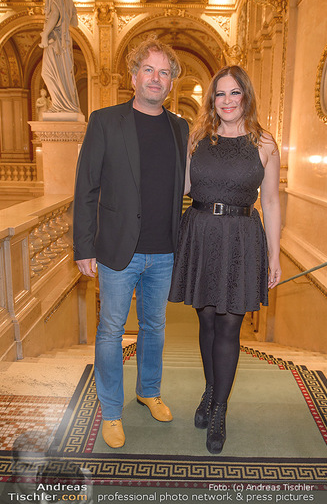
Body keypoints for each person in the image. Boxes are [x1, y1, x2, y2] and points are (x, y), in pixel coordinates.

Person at [73, 36, 189, 449]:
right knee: (110, 331)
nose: (155, 78)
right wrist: (84, 246)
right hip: (117, 250)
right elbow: (86, 187)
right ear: (134, 75)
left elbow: (183, 187)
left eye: (164, 72)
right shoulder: (105, 121)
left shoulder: (180, 127)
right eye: (148, 70)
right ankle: (111, 410)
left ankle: (149, 391)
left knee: (155, 327)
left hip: (164, 251)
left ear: (171, 82)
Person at [169, 65, 281, 454]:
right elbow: (179, 186)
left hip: (241, 238)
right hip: (200, 232)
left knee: (230, 326)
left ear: (246, 97)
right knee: (206, 321)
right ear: (212, 100)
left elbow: (270, 200)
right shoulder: (197, 138)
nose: (228, 101)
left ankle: (219, 409)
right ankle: (210, 388)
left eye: (235, 93)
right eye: (220, 94)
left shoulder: (264, 143)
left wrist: (274, 253)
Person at [39, 0, 80, 114]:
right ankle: (63, 104)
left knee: (47, 72)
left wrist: (45, 34)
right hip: (64, 40)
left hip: (55, 40)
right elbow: (75, 21)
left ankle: (59, 106)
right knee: (62, 73)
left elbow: (55, 13)